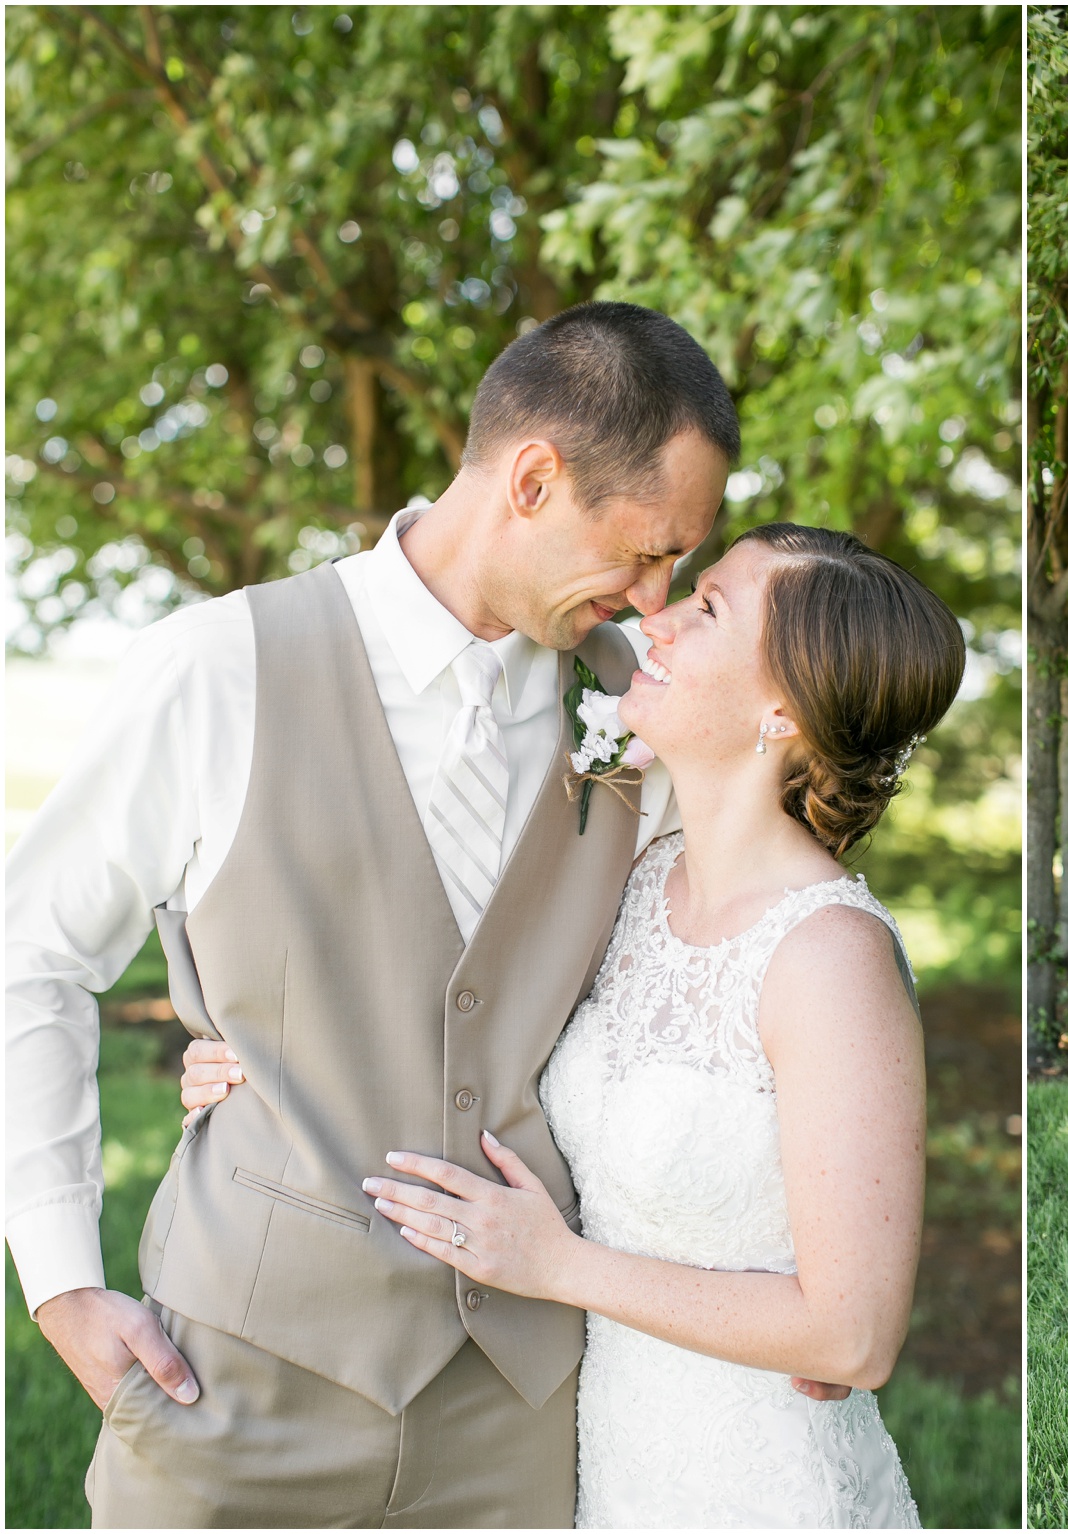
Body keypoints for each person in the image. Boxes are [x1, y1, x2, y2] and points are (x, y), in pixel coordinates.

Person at [4, 301, 844, 1526]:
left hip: (522, 1411)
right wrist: (60, 1280)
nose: (656, 599)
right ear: (536, 478)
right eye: (645, 549)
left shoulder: (646, 708)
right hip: (236, 1387)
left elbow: (737, 977)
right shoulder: (220, 665)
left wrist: (793, 1274)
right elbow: (30, 953)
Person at [181, 524, 959, 1527]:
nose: (658, 617)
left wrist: (558, 1267)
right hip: (611, 1460)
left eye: (708, 607)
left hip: (752, 1481)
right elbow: (470, 1034)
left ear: (785, 709)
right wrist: (258, 1057)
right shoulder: (636, 883)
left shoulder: (828, 959)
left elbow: (852, 1336)